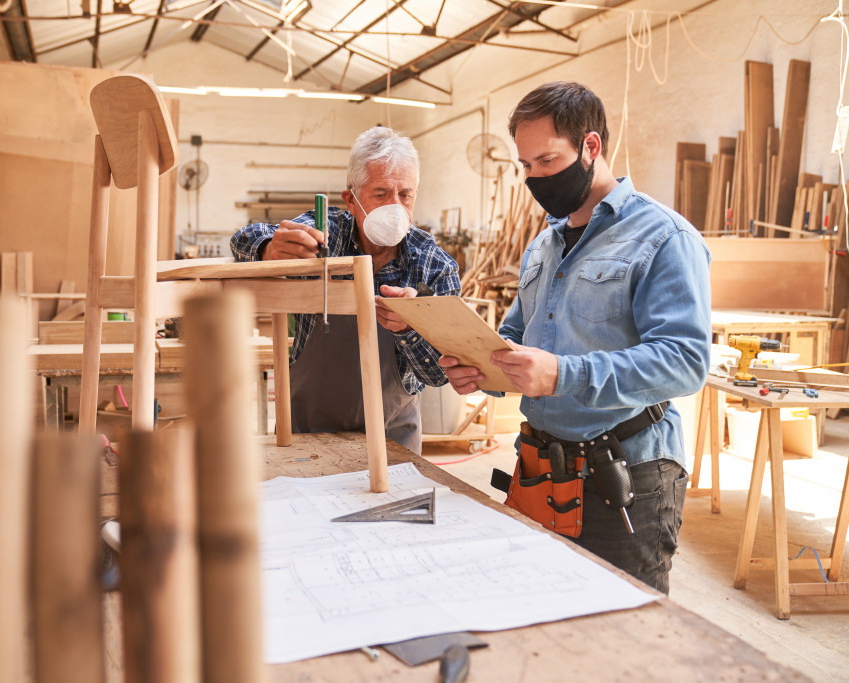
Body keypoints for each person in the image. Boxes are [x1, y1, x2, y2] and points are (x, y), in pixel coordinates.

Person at [440, 82, 711, 594]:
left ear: (591, 146)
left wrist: (564, 374)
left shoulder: (663, 238)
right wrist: (483, 371)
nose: (536, 177)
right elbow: (518, 340)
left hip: (625, 474)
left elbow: (685, 361)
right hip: (541, 468)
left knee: (623, 641)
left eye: (547, 159)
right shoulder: (544, 244)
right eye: (526, 166)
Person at [231, 126, 461, 453]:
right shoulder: (327, 235)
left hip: (392, 442)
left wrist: (411, 328)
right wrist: (269, 248)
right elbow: (242, 239)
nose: (394, 207)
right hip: (305, 436)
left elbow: (440, 373)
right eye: (381, 194)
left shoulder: (433, 266)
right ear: (351, 200)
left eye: (405, 195)